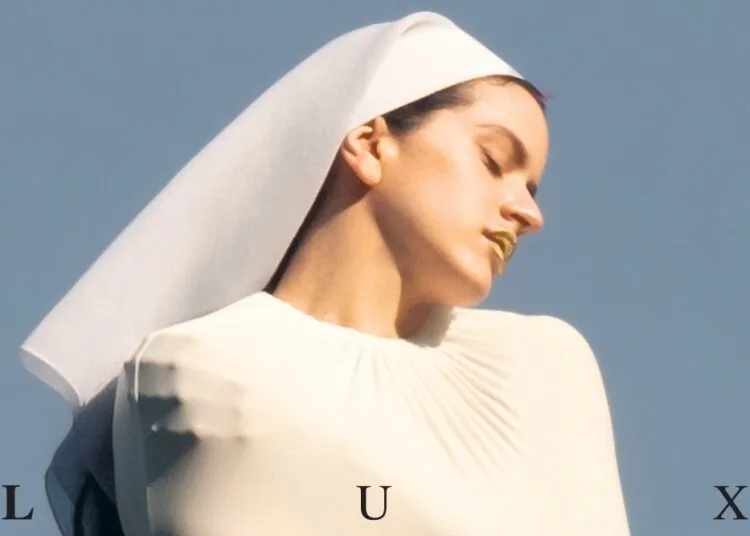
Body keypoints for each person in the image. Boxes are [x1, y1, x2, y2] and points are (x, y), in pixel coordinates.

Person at [20, 11, 631, 535]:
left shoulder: (544, 367)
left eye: (532, 188)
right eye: (494, 160)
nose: (528, 213)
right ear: (369, 143)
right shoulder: (204, 370)